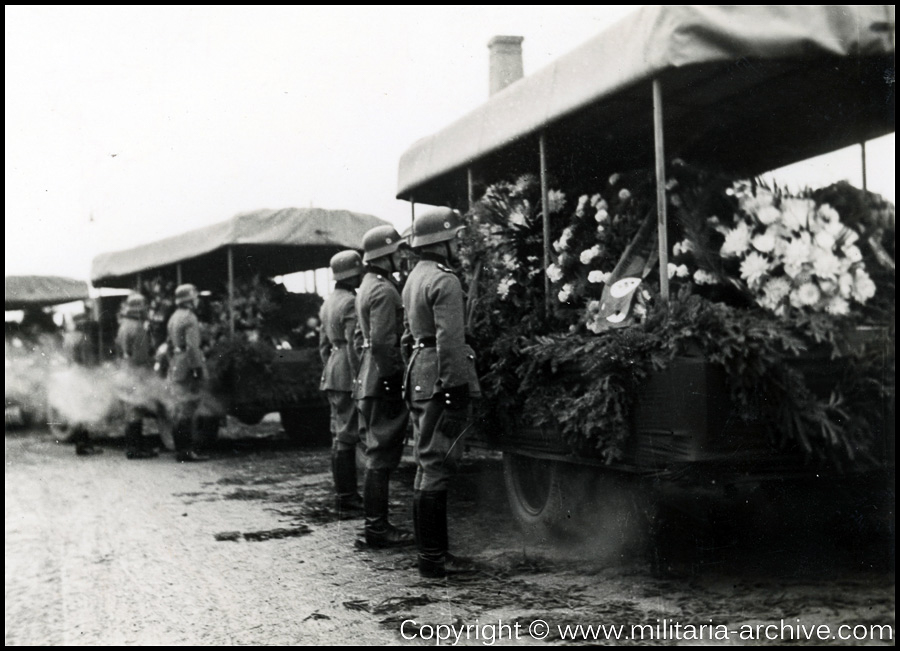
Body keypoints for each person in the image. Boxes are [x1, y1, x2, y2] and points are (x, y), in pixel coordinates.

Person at [402, 208, 481, 578]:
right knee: (437, 465)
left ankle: (431, 556)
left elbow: (409, 336)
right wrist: (456, 392)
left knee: (426, 463)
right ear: (442, 242)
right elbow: (450, 341)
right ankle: (433, 559)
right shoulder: (445, 281)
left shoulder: (414, 277)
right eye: (454, 239)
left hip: (419, 373)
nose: (457, 245)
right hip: (439, 375)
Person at [355, 226, 415, 548]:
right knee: (380, 454)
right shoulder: (383, 290)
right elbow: (381, 342)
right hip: (381, 378)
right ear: (384, 255)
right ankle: (377, 529)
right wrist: (393, 379)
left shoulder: (368, 285)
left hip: (371, 375)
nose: (400, 256)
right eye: (396, 252)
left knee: (377, 451)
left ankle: (376, 526)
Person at [319, 250, 365, 516]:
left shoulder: (328, 302)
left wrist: (331, 369)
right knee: (347, 436)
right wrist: (359, 377)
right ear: (351, 275)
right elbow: (355, 345)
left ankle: (344, 496)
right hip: (347, 371)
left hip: (333, 371)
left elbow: (323, 347)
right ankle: (348, 498)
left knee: (338, 434)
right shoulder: (349, 302)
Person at [166, 283, 209, 462]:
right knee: (188, 409)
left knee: (179, 408)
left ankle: (180, 450)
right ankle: (186, 451)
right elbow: (192, 347)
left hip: (176, 363)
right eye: (195, 297)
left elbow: (168, 344)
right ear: (190, 300)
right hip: (188, 364)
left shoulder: (173, 317)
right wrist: (197, 369)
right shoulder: (189, 318)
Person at [115, 293, 157, 459]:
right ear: (140, 309)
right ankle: (135, 449)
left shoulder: (124, 325)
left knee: (131, 408)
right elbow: (142, 357)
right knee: (136, 409)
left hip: (126, 369)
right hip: (136, 371)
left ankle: (133, 447)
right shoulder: (138, 327)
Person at [63, 313, 102, 456]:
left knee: (77, 409)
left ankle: (81, 445)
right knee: (85, 409)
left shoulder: (68, 337)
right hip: (82, 373)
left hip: (71, 373)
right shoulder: (83, 338)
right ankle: (84, 445)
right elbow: (88, 360)